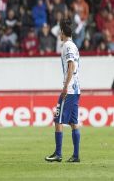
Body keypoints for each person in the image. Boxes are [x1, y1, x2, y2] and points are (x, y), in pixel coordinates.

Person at [45, 18, 81, 163]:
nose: (59, 34)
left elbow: (71, 66)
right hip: (76, 88)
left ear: (63, 32)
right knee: (73, 122)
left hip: (70, 89)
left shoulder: (67, 46)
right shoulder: (73, 45)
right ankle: (76, 155)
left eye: (60, 31)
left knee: (58, 119)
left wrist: (65, 86)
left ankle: (58, 153)